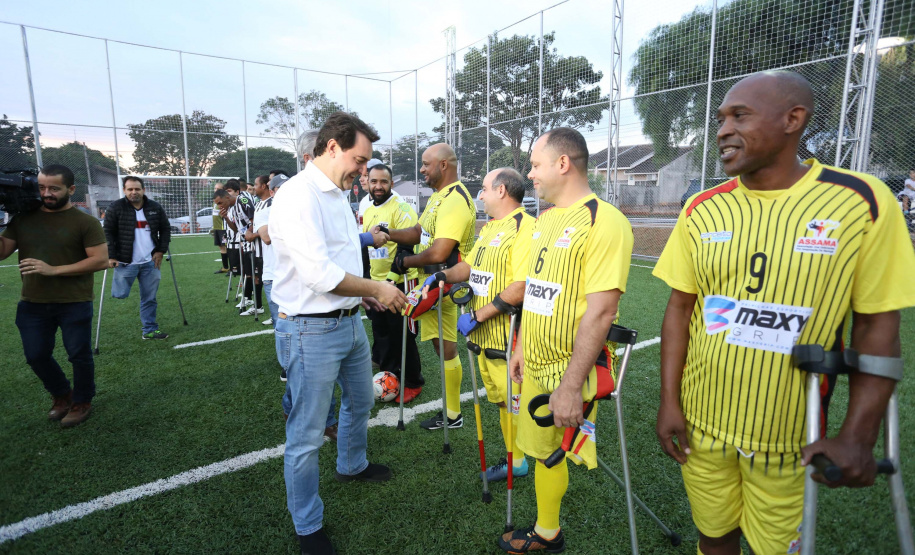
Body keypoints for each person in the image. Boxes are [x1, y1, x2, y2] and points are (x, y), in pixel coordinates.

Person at [653, 71, 915, 555]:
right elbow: (679, 308)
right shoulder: (701, 209)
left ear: (794, 119)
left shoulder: (862, 201)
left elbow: (878, 323)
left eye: (740, 115)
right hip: (702, 425)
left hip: (791, 436)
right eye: (720, 119)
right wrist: (670, 401)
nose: (722, 130)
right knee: (713, 539)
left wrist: (859, 436)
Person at [270, 111, 406, 555]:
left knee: (362, 400)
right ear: (332, 148)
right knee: (307, 434)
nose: (364, 171)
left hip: (348, 321)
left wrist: (359, 298)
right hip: (310, 331)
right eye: (359, 159)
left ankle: (351, 464)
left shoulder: (337, 194)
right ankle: (307, 525)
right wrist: (377, 289)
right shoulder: (297, 195)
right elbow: (318, 274)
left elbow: (342, 262)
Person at [499, 128, 633, 553]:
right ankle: (547, 532)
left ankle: (546, 532)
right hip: (534, 360)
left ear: (563, 164)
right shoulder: (546, 219)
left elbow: (602, 311)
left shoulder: (604, 220)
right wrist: (520, 347)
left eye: (536, 164)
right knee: (541, 450)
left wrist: (572, 385)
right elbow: (535, 292)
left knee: (557, 447)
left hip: (567, 369)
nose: (530, 174)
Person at [421, 167, 534, 481]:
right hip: (483, 338)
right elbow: (470, 267)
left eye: (484, 189)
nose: (480, 195)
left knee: (513, 402)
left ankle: (519, 461)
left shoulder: (526, 227)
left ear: (501, 191)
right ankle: (515, 456)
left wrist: (479, 316)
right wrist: (441, 276)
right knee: (501, 401)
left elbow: (522, 285)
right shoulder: (490, 227)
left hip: (508, 337)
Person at [0, 164, 109, 428]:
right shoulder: (23, 218)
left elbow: (101, 260)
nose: (46, 193)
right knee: (35, 355)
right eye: (41, 187)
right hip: (33, 302)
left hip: (74, 301)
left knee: (78, 355)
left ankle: (82, 401)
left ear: (71, 189)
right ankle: (62, 395)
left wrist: (54, 270)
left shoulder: (85, 222)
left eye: (53, 188)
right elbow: (2, 252)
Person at [385, 143, 476, 431]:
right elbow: (417, 232)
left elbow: (439, 252)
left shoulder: (456, 199)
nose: (422, 169)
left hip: (446, 285)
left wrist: (404, 261)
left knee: (447, 348)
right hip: (432, 284)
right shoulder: (439, 197)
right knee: (441, 347)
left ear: (443, 165)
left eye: (426, 164)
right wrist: (387, 235)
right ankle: (452, 412)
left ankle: (452, 414)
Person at [362, 162, 424, 403]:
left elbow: (407, 248)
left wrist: (390, 281)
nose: (379, 186)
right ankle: (389, 376)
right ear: (367, 182)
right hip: (376, 284)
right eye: (374, 181)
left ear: (391, 184)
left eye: (384, 182)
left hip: (398, 283)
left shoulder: (401, 208)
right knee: (382, 333)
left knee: (402, 335)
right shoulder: (368, 210)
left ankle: (413, 382)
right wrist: (368, 281)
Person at [103, 175, 171, 340]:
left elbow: (166, 229)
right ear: (125, 190)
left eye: (137, 189)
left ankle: (149, 329)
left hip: (150, 262)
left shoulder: (154, 207)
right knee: (120, 294)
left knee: (149, 298)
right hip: (125, 262)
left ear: (143, 190)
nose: (134, 192)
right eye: (130, 189)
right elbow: (108, 232)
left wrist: (160, 251)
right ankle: (146, 325)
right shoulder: (115, 207)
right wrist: (111, 256)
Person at [222, 179, 243, 288]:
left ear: (237, 192)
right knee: (234, 268)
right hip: (230, 242)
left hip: (239, 242)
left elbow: (237, 228)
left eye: (229, 191)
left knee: (242, 269)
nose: (227, 194)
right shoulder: (228, 207)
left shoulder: (238, 206)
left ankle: (246, 290)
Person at [212, 182, 230, 274]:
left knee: (228, 247)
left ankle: (233, 267)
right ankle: (225, 267)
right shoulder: (215, 202)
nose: (216, 190)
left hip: (223, 228)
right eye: (215, 188)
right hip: (217, 228)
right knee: (221, 247)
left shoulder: (224, 202)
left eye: (218, 189)